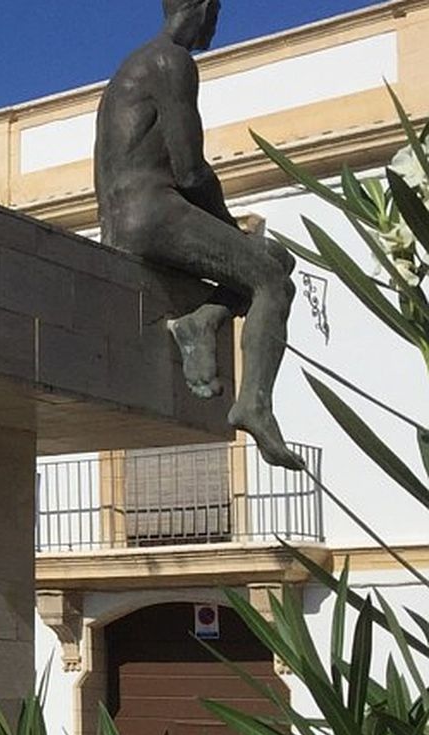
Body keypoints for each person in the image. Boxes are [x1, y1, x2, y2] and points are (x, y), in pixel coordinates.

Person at [94, 0, 306, 470]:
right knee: (273, 280)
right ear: (204, 8)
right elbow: (190, 171)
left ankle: (203, 321)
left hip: (124, 218)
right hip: (152, 212)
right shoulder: (172, 61)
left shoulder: (131, 68)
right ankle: (255, 405)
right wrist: (231, 229)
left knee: (274, 255)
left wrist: (241, 243)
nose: (217, 24)